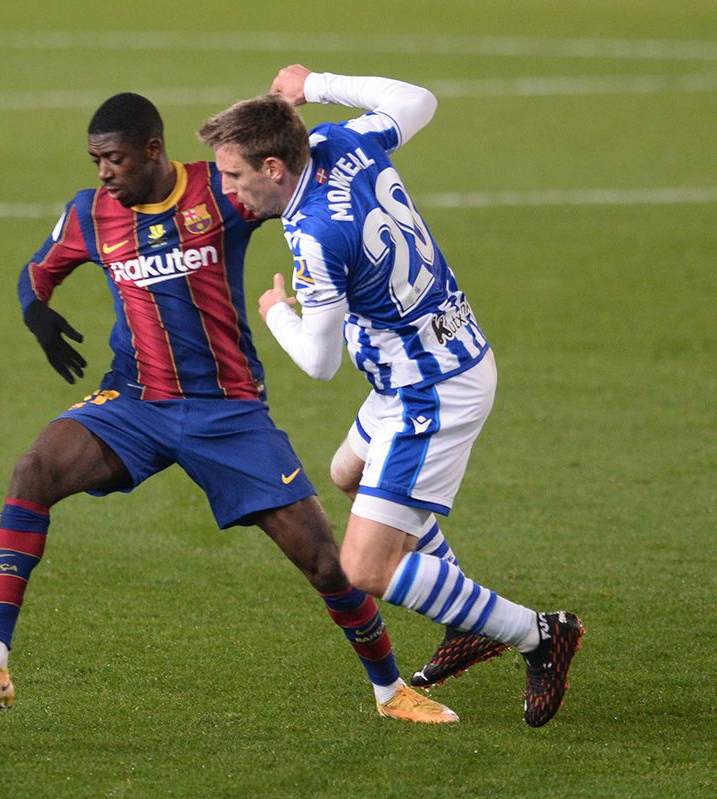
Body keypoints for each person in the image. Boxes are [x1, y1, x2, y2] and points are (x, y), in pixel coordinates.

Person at [0, 91, 459, 723]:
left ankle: (390, 691)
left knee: (326, 563)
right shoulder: (89, 214)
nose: (103, 172)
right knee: (33, 472)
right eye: (96, 159)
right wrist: (36, 313)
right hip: (133, 403)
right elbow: (37, 272)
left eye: (115, 159)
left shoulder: (220, 189)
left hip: (228, 412)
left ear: (154, 151)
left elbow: (294, 189)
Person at [197, 67, 584, 726]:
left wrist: (272, 309)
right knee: (348, 473)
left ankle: (536, 633)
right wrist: (315, 82)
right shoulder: (343, 142)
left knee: (364, 568)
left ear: (273, 166)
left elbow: (318, 362)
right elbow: (418, 100)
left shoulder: (314, 234)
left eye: (234, 176)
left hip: (427, 392)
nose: (227, 189)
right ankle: (465, 619)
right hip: (430, 360)